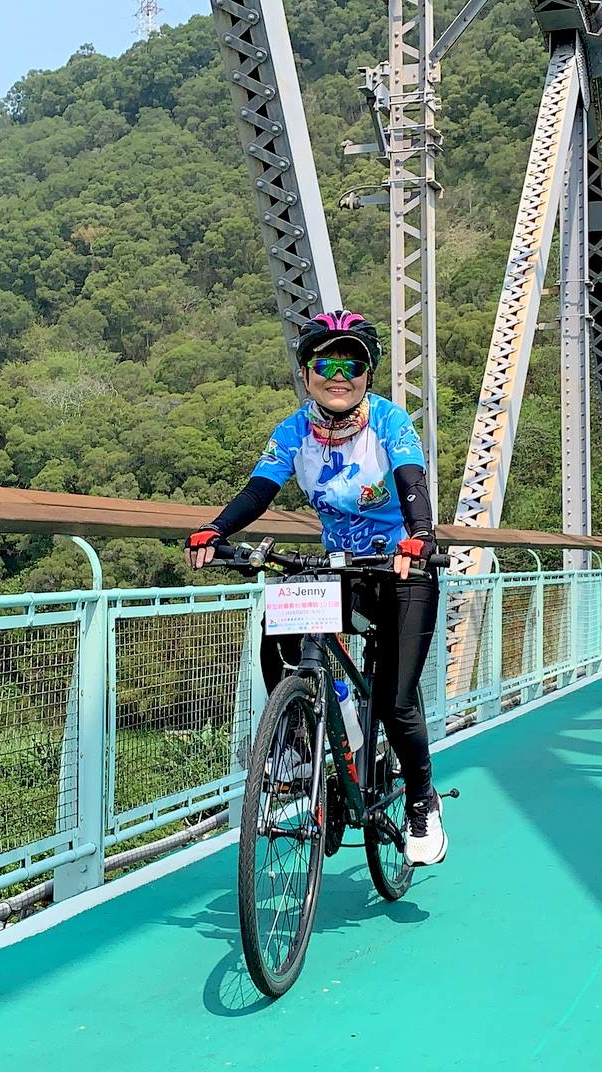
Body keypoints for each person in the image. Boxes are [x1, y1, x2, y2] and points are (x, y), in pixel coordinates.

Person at [183, 310, 448, 867]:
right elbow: (260, 489)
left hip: (402, 568)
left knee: (397, 703)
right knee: (280, 624)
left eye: (352, 362)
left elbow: (410, 481)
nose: (339, 373)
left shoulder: (390, 422)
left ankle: (423, 802)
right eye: (326, 362)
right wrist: (217, 529)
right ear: (306, 373)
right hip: (339, 568)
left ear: (368, 374)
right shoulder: (294, 430)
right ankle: (303, 745)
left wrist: (420, 536)